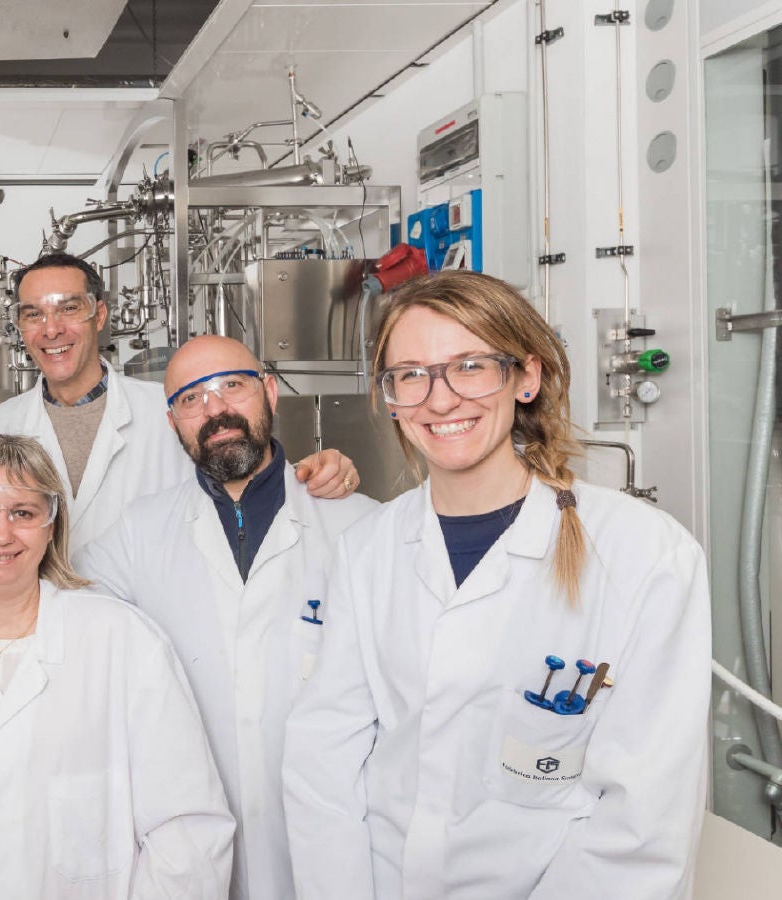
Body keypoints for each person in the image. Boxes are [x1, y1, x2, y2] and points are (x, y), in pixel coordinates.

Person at [282, 271, 710, 898]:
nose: (440, 398)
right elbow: (325, 757)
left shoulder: (647, 555)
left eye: (471, 366)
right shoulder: (368, 551)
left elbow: (643, 819)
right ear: (389, 397)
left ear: (526, 378)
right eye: (411, 374)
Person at [0, 433, 235, 899]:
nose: (1, 533)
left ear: (52, 525)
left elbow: (186, 827)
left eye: (23, 512)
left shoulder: (124, 640)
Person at [75, 334, 377, 900]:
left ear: (268, 391)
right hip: (195, 843)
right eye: (191, 399)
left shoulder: (358, 526)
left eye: (231, 386)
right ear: (173, 423)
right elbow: (56, 607)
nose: (214, 410)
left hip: (333, 843)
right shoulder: (139, 534)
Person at [0, 252, 359, 550]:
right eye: (33, 314)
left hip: (155, 623)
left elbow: (250, 475)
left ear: (99, 315)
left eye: (69, 308)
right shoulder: (0, 426)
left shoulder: (173, 410)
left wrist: (323, 472)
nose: (51, 329)